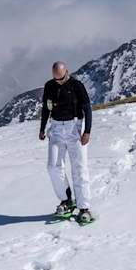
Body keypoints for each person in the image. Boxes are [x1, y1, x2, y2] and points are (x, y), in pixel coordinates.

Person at [39, 61, 94, 224]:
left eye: (61, 79)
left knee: (79, 168)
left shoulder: (77, 86)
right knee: (53, 166)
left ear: (66, 72)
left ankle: (84, 208)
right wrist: (42, 128)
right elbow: (46, 108)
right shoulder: (49, 86)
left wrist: (87, 131)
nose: (59, 82)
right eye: (56, 79)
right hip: (56, 128)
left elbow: (87, 108)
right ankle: (66, 200)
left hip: (74, 128)